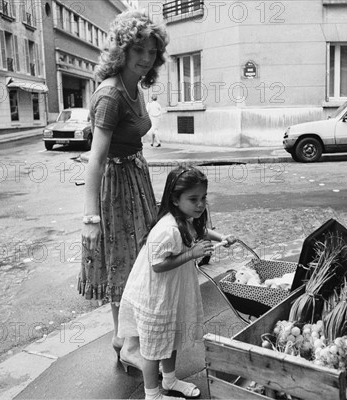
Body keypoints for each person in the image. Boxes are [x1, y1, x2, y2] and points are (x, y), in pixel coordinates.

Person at [78, 9, 169, 367]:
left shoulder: (136, 86)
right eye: (138, 51)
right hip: (115, 188)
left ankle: (126, 337)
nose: (146, 59)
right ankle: (125, 341)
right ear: (122, 50)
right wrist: (90, 217)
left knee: (140, 260)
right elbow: (95, 159)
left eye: (151, 52)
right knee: (124, 264)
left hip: (136, 180)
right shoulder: (111, 95)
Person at [118, 166, 237, 400]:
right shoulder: (167, 229)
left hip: (172, 291)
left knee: (171, 337)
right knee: (152, 349)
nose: (200, 204)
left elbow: (201, 230)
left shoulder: (186, 217)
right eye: (193, 199)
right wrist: (191, 254)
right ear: (175, 199)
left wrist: (222, 237)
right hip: (155, 295)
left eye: (203, 197)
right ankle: (152, 395)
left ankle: (170, 379)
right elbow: (157, 264)